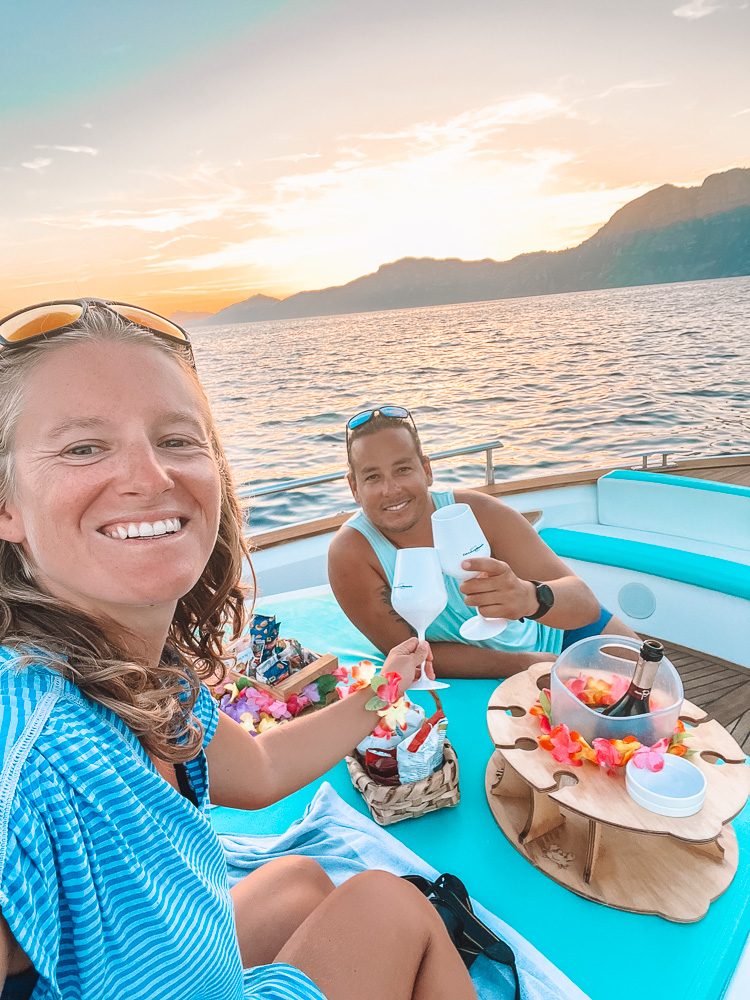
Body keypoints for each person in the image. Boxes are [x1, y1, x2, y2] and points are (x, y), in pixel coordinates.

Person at [0, 301, 478, 1000]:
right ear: (6, 502)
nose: (151, 476)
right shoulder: (32, 761)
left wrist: (385, 691)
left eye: (176, 439)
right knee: (392, 904)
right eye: (83, 447)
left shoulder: (144, 679)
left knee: (300, 881)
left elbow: (256, 768)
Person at [328, 406, 637, 679]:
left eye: (403, 469)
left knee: (650, 677)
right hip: (508, 664)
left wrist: (528, 597)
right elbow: (409, 650)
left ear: (427, 470)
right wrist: (526, 664)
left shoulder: (479, 513)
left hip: (558, 630)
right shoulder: (353, 554)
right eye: (372, 477)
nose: (392, 489)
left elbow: (584, 605)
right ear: (354, 487)